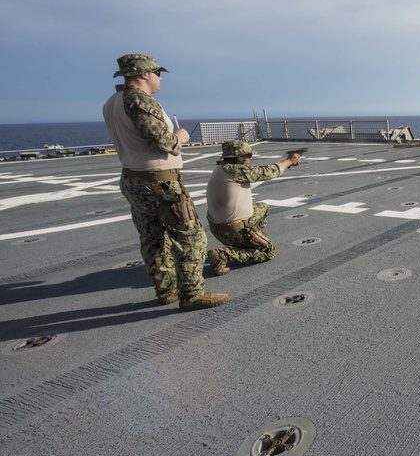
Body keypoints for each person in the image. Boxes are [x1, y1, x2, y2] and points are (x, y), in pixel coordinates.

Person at [102, 53, 229, 310]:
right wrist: (180, 136)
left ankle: (166, 290)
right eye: (157, 73)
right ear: (144, 74)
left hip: (133, 178)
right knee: (191, 238)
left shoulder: (112, 102)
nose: (160, 79)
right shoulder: (139, 100)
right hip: (160, 183)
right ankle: (192, 294)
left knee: (153, 239)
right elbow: (164, 142)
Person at [205, 141, 301, 275]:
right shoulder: (235, 170)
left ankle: (251, 239)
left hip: (217, 227)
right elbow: (266, 172)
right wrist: (289, 161)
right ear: (239, 158)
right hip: (231, 230)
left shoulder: (221, 168)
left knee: (262, 207)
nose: (250, 158)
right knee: (268, 251)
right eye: (248, 156)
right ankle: (223, 255)